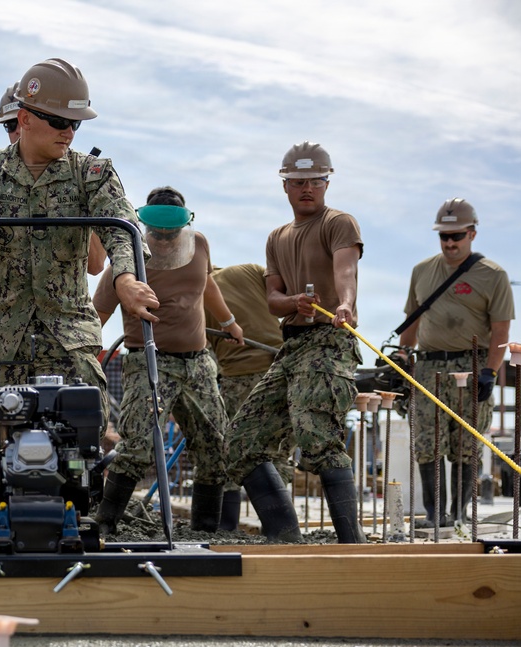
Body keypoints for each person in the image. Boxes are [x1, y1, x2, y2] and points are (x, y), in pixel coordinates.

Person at [0, 58, 158, 542]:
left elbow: (120, 230)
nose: (70, 133)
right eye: (61, 122)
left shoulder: (93, 174)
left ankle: (79, 519)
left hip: (66, 326)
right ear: (25, 119)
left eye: (77, 123)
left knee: (86, 417)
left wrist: (125, 278)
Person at [224, 141, 366, 543]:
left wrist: (345, 305)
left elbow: (346, 271)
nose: (308, 188)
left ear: (327, 183)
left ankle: (351, 546)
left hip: (328, 341)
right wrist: (294, 302)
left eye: (316, 181)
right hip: (292, 345)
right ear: (284, 186)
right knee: (241, 441)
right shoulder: (277, 237)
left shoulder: (339, 223)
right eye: (298, 181)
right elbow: (272, 300)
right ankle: (286, 537)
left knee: (318, 440)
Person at [92, 186, 242, 535]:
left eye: (169, 233)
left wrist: (229, 323)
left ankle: (205, 529)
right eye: (156, 233)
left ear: (184, 226)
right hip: (150, 363)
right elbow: (100, 309)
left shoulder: (199, 244)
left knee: (215, 446)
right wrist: (84, 352)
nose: (162, 240)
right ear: (146, 227)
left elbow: (206, 283)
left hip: (199, 364)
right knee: (137, 445)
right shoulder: (127, 256)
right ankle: (105, 524)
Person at [398, 198, 514, 527]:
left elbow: (501, 330)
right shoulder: (422, 271)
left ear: (472, 234)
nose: (450, 243)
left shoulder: (493, 275)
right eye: (444, 237)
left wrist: (490, 372)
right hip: (428, 367)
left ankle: (459, 515)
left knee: (466, 443)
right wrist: (404, 358)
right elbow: (412, 321)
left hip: (472, 364)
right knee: (427, 442)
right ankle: (436, 517)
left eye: (457, 236)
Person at [204, 263, 287, 530]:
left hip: (239, 377)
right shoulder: (250, 270)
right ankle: (281, 528)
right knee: (278, 453)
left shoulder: (196, 292)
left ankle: (225, 528)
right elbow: (283, 298)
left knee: (233, 453)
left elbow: (201, 351)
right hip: (281, 370)